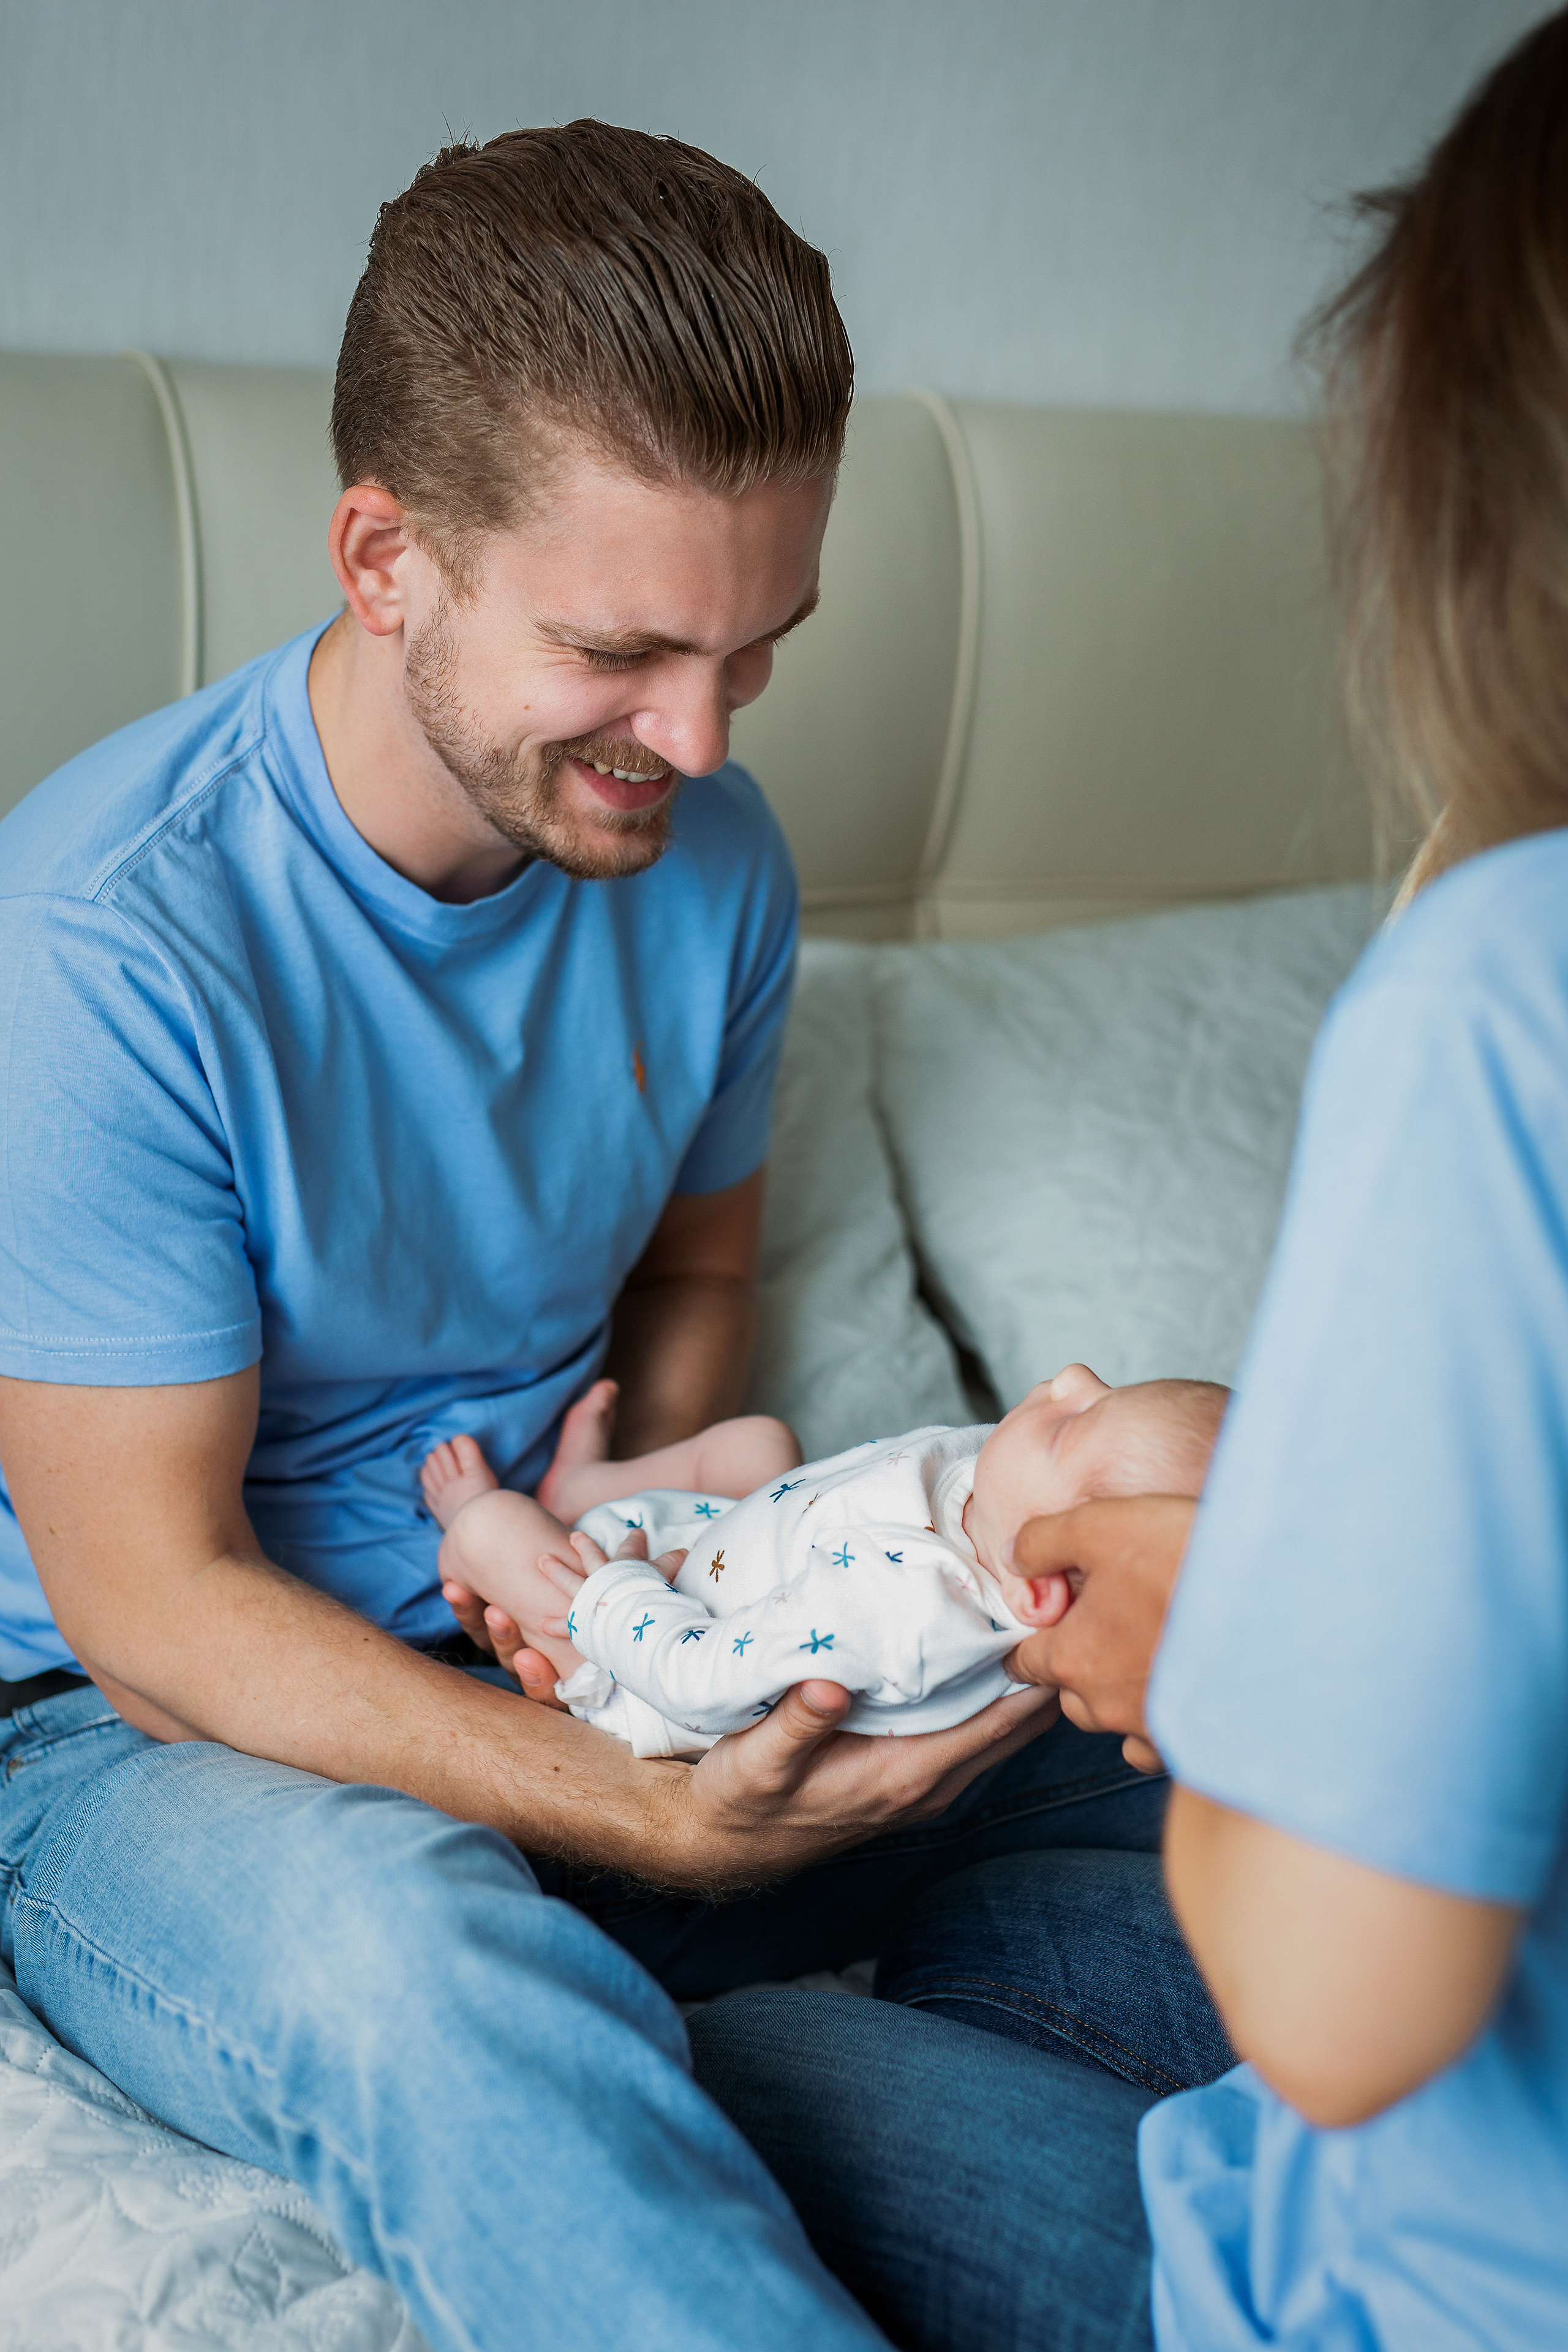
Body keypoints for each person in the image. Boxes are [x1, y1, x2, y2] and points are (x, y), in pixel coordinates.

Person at [0, 124, 1161, 2352]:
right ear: (386, 559)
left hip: (602, 1641)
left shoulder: (714, 863)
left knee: (1225, 1756)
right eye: (623, 651)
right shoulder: (104, 948)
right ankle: (642, 2022)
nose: (699, 742)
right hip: (147, 1743)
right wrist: (650, 1810)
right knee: (415, 1956)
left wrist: (649, 1544)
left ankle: (768, 2067)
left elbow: (696, 1274)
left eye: (757, 651)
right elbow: (151, 1614)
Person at [686, 16, 1568, 2349]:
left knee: (693, 2053)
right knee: (1008, 1929)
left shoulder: (1501, 996)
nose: (694, 736)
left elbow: (1347, 2009)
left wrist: (1242, 1659)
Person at [422, 1368, 1226, 1754]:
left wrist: (612, 1596)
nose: (1071, 1379)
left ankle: (466, 1518)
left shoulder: (908, 1611)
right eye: (1105, 1390)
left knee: (496, 1528)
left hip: (642, 1661)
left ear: (1041, 1585)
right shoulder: (1000, 1496)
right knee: (760, 1443)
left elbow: (700, 1683)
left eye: (1072, 1426)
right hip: (726, 1545)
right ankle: (581, 1488)